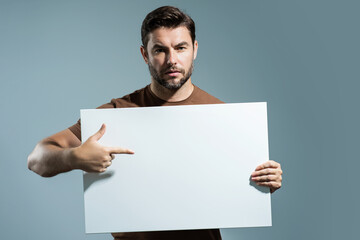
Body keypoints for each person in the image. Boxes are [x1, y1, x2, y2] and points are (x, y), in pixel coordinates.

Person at [28, 6, 283, 240]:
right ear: (145, 54)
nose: (172, 59)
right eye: (160, 50)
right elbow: (37, 160)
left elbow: (239, 196)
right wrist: (74, 157)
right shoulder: (118, 113)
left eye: (180, 48)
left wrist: (263, 184)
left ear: (195, 49)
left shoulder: (222, 117)